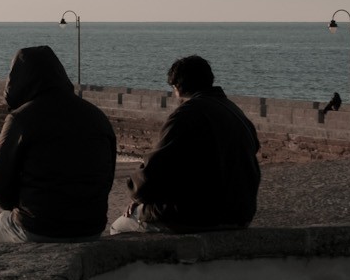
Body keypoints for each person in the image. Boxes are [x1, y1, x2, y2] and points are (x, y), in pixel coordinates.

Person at [0, 46, 117, 244]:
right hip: (91, 228)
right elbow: (108, 176)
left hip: (39, 227)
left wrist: (20, 206)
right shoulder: (97, 116)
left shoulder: (20, 119)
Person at [109, 55, 260, 234]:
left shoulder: (185, 115)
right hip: (240, 214)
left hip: (199, 216)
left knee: (118, 227)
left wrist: (139, 195)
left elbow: (154, 171)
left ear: (177, 87)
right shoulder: (235, 111)